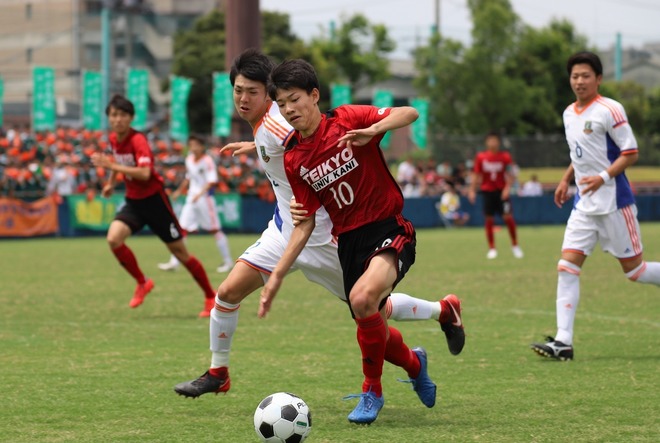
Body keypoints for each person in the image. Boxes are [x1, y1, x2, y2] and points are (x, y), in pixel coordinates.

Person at [173, 50, 463, 408]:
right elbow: (282, 143)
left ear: (270, 94)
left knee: (371, 311)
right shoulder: (268, 129)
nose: (242, 99)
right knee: (228, 293)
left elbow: (304, 136)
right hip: (285, 231)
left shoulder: (281, 122)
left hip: (324, 237)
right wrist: (256, 146)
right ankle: (219, 373)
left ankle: (432, 328)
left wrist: (370, 128)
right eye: (237, 90)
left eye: (251, 91)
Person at [259, 58, 465, 425]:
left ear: (314, 95)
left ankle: (372, 390)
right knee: (374, 320)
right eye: (282, 103)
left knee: (362, 299)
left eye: (295, 99)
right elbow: (303, 224)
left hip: (389, 228)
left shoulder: (348, 119)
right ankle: (417, 363)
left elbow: (409, 113)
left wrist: (376, 129)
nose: (289, 109)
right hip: (349, 244)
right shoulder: (294, 157)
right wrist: (277, 274)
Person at [531, 51, 660, 361]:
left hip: (615, 203)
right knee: (567, 267)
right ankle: (563, 341)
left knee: (636, 272)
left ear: (598, 79)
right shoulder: (568, 113)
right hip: (583, 206)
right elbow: (580, 155)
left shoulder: (610, 109)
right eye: (575, 76)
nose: (579, 81)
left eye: (585, 75)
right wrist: (565, 180)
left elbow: (630, 153)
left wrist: (602, 177)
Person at [91, 94, 217, 317]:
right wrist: (111, 183)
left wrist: (113, 166)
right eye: (113, 115)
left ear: (130, 118)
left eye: (122, 115)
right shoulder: (114, 139)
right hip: (134, 202)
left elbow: (144, 173)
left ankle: (210, 296)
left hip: (155, 201)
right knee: (113, 239)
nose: (117, 119)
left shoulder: (138, 140)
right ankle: (143, 282)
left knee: (180, 253)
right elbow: (117, 163)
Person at [157, 134, 233, 273]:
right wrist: (179, 191)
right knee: (181, 229)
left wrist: (200, 194)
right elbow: (189, 178)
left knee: (215, 230)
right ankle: (174, 262)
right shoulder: (189, 159)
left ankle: (228, 261)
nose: (193, 147)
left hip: (205, 200)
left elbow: (212, 181)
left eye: (196, 144)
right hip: (191, 199)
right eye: (191, 144)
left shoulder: (207, 161)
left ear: (202, 146)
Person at [468, 132, 523, 259]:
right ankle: (492, 248)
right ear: (486, 142)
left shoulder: (505, 156)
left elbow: (511, 174)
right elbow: (476, 174)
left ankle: (515, 245)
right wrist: (472, 190)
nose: (493, 143)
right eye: (490, 140)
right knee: (489, 219)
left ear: (498, 142)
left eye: (495, 140)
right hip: (487, 192)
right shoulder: (481, 157)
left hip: (501, 192)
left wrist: (507, 188)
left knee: (508, 217)